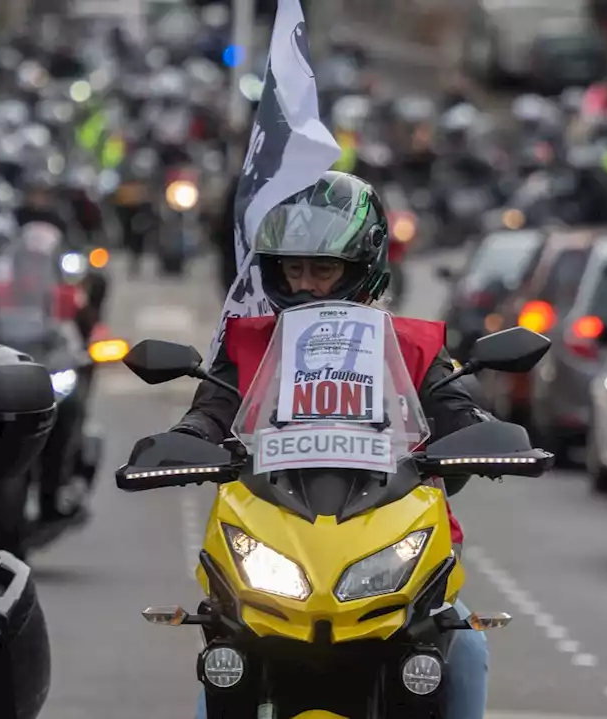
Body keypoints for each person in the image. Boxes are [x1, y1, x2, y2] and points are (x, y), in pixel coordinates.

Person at [165, 172, 492, 719]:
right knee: (227, 658)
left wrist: (481, 434)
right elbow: (209, 412)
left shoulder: (415, 346)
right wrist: (183, 441)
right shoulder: (246, 344)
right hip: (274, 531)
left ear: (361, 267)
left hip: (391, 535)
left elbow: (459, 411)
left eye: (323, 269)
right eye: (293, 269)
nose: (306, 284)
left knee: (468, 647)